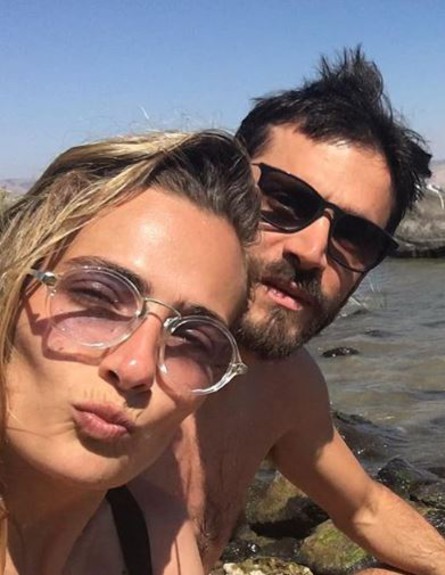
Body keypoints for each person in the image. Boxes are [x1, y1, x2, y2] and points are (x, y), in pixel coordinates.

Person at [141, 49, 445, 575]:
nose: (311, 250)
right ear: (222, 187)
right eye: (285, 200)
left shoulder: (281, 382)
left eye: (354, 236)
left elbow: (364, 508)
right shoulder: (97, 356)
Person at [0, 130, 260, 575]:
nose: (136, 367)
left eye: (193, 340)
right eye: (97, 298)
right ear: (12, 283)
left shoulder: (160, 539)